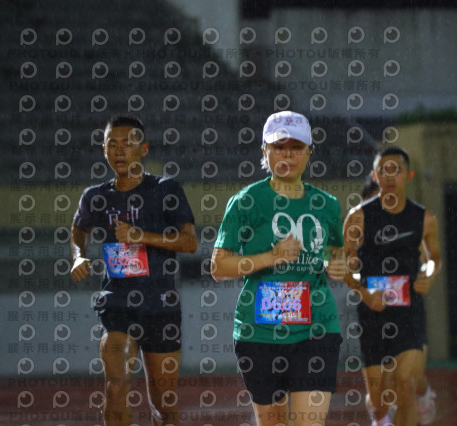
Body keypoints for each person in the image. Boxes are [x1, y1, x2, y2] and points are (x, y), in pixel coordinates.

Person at [211, 110, 346, 426]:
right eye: (279, 147)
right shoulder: (246, 201)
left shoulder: (326, 204)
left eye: (296, 147)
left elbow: (336, 252)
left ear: (309, 152)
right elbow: (219, 266)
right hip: (259, 332)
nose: (287, 155)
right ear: (264, 151)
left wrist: (336, 265)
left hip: (317, 328)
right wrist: (271, 256)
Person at [70, 114, 197, 426]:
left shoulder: (166, 189)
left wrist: (143, 236)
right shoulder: (96, 196)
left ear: (144, 149)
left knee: (163, 405)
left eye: (128, 144)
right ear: (104, 150)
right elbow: (78, 229)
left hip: (161, 305)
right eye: (112, 144)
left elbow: (190, 242)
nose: (119, 150)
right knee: (116, 386)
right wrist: (78, 256)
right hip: (117, 302)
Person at [343, 147, 442, 426]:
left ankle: (421, 395)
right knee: (379, 401)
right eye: (383, 171)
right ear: (375, 176)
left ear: (408, 175)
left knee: (405, 383)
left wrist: (429, 274)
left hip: (409, 310)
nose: (389, 177)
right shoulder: (358, 218)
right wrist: (364, 293)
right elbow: (342, 266)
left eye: (396, 170)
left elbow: (434, 258)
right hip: (373, 312)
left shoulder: (424, 218)